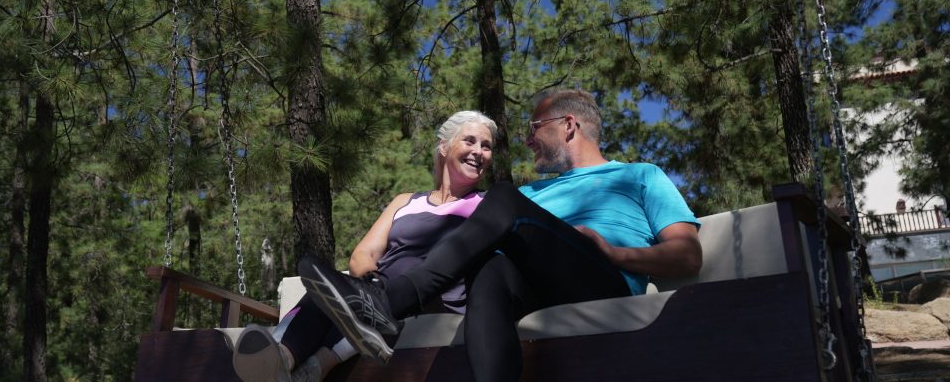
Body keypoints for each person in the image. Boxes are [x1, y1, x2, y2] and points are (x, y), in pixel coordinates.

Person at [299, 88, 702, 382]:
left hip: (600, 276)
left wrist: (615, 254)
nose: (527, 140)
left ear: (568, 125)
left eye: (534, 127)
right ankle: (382, 305)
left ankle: (386, 303)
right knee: (490, 271)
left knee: (504, 197)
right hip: (537, 286)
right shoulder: (529, 195)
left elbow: (687, 256)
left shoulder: (638, 176)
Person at [231, 110, 497, 382]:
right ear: (444, 146)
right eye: (470, 141)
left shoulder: (489, 205)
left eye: (486, 146)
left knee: (389, 279)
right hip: (381, 290)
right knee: (326, 288)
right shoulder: (405, 201)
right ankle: (280, 358)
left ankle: (316, 365)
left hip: (432, 297)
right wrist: (370, 288)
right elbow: (363, 254)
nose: (479, 151)